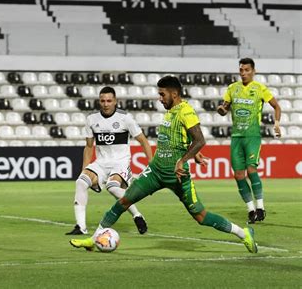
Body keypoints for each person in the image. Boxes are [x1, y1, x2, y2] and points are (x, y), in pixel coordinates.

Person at [70, 76, 258, 253]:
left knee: (201, 216)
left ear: (174, 94)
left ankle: (243, 233)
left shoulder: (186, 111)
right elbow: (179, 139)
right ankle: (94, 239)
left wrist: (184, 159)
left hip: (177, 175)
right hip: (156, 171)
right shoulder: (170, 112)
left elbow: (199, 139)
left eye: (162, 94)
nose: (160, 98)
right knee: (124, 200)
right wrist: (195, 153)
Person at [66, 86, 154, 235]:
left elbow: (143, 141)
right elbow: (88, 147)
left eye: (109, 101)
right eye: (102, 101)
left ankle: (137, 215)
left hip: (120, 163)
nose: (106, 104)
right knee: (81, 182)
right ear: (99, 102)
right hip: (101, 163)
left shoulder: (125, 118)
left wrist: (151, 164)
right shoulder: (92, 120)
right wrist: (84, 169)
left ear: (115, 102)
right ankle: (80, 227)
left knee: (112, 187)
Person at [217, 58, 281, 223]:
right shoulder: (232, 88)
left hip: (252, 136)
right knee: (238, 175)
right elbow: (225, 107)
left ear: (253, 71)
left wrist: (277, 124)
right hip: (236, 137)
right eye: (241, 70)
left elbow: (276, 106)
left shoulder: (260, 88)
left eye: (247, 70)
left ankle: (260, 208)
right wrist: (222, 110)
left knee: (251, 169)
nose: (244, 73)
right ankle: (251, 210)